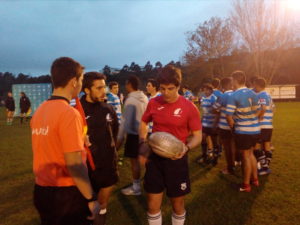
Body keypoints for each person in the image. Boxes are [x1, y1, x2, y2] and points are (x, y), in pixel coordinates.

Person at [31, 57, 99, 225]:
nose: (82, 85)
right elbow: (74, 164)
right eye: (82, 79)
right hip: (66, 194)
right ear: (74, 81)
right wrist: (91, 198)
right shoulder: (69, 113)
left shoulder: (39, 111)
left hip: (41, 190)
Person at [139, 65, 202, 225]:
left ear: (179, 87)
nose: (165, 93)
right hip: (154, 159)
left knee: (177, 204)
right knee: (152, 205)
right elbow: (144, 122)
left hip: (177, 159)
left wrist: (186, 148)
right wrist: (143, 142)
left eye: (170, 88)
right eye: (162, 88)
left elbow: (197, 136)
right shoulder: (153, 102)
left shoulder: (189, 107)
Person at [81, 72, 119, 225]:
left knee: (102, 207)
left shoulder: (108, 108)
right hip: (86, 168)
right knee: (86, 208)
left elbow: (115, 133)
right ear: (87, 90)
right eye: (99, 88)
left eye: (104, 87)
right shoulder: (77, 111)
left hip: (108, 166)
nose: (104, 91)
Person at [225, 71, 260, 192]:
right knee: (250, 154)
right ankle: (255, 180)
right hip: (255, 129)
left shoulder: (233, 95)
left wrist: (233, 127)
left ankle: (245, 185)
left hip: (243, 131)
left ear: (235, 80)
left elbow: (228, 116)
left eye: (232, 80)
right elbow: (259, 110)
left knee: (245, 156)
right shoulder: (254, 92)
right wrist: (251, 120)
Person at [116, 75, 148, 195]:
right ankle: (146, 183)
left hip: (134, 134)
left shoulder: (130, 100)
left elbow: (125, 122)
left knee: (135, 162)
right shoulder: (144, 97)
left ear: (130, 84)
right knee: (144, 160)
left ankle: (136, 188)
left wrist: (119, 138)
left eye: (126, 83)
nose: (125, 86)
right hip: (145, 133)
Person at [213, 77, 237, 174]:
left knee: (227, 148)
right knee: (235, 146)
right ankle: (237, 162)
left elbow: (214, 108)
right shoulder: (237, 93)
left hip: (225, 125)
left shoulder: (223, 96)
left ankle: (230, 168)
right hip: (236, 125)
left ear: (222, 85)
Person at [253, 78, 274, 175]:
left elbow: (263, 108)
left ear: (257, 84)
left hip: (262, 125)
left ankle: (264, 167)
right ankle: (266, 166)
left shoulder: (262, 95)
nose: (253, 87)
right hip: (268, 125)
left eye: (254, 85)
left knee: (256, 147)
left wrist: (257, 117)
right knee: (266, 146)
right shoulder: (268, 95)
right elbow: (274, 109)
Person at [198, 83, 218, 165]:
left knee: (214, 141)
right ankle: (204, 156)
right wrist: (201, 120)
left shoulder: (214, 99)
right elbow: (204, 111)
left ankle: (215, 158)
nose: (205, 91)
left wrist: (215, 124)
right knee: (203, 139)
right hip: (205, 123)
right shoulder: (203, 98)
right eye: (204, 90)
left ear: (211, 90)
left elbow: (217, 112)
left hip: (212, 123)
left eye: (207, 90)